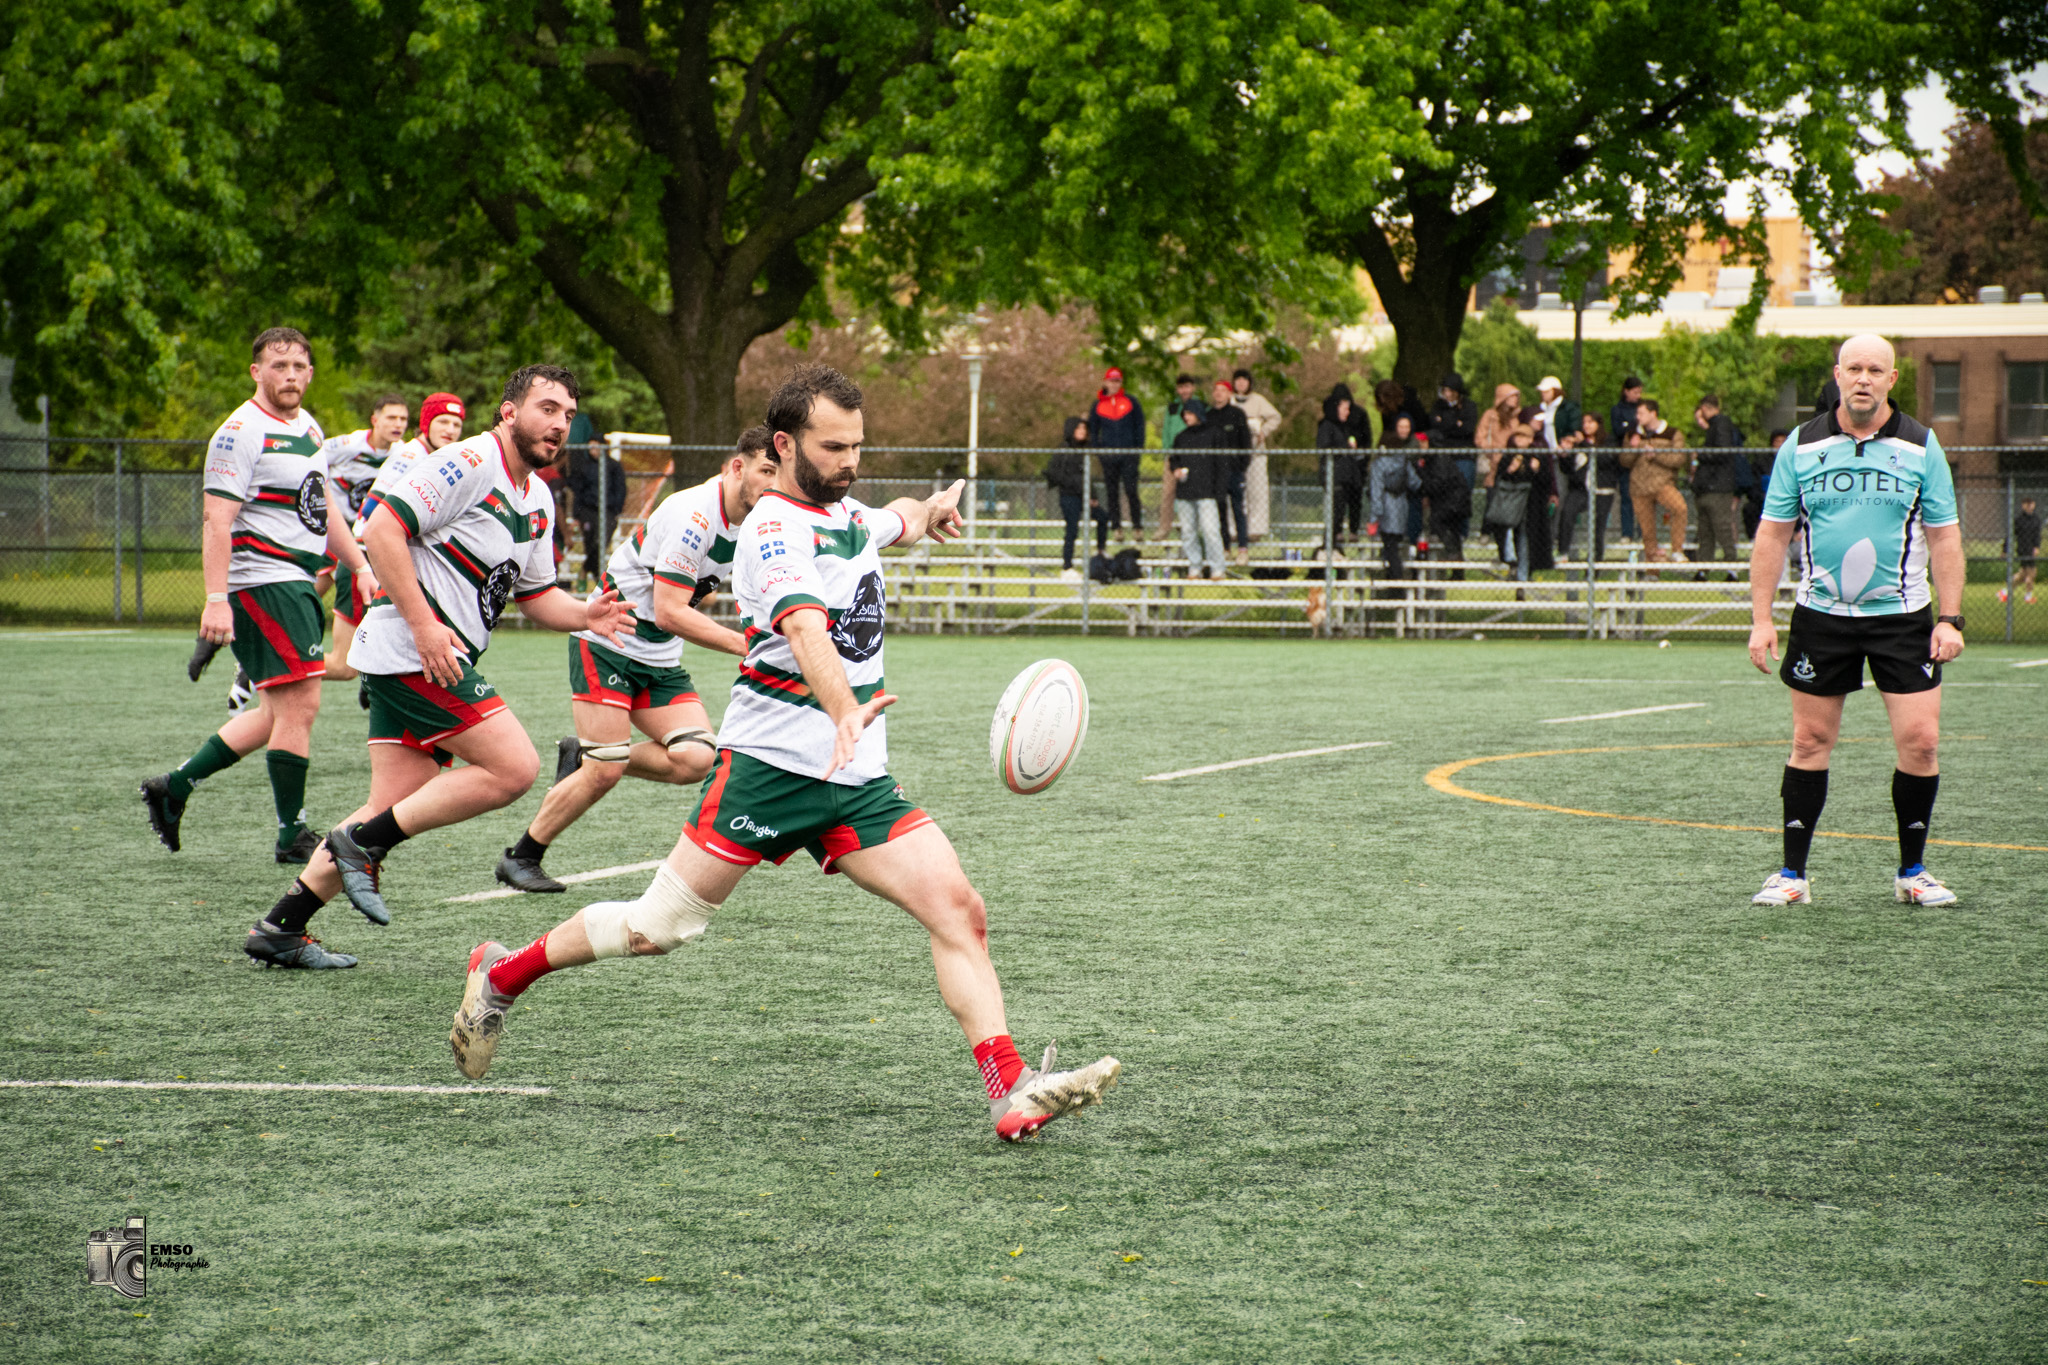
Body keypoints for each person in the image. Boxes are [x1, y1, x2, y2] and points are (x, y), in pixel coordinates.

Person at [447, 364, 1123, 1143]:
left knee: (960, 910)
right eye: (833, 447)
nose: (849, 461)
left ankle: (1009, 1088)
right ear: (784, 442)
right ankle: (501, 972)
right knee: (656, 928)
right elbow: (805, 631)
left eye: (858, 446)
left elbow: (890, 516)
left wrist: (928, 509)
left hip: (859, 782)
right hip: (770, 772)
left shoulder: (846, 513)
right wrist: (841, 711)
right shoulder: (772, 534)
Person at [238, 365, 635, 969]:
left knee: (391, 801)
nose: (558, 424)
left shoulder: (538, 497)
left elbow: (535, 596)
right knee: (514, 768)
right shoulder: (470, 463)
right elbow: (382, 530)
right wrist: (425, 627)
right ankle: (359, 847)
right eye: (546, 408)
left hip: (429, 657)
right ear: (508, 411)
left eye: (566, 415)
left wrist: (588, 614)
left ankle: (282, 927)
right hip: (411, 653)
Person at [495, 426, 782, 894]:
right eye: (766, 470)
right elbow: (670, 612)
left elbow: (692, 598)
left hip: (659, 658)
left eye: (780, 472)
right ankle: (523, 856)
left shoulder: (751, 521)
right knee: (604, 772)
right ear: (737, 466)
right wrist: (746, 646)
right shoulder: (695, 514)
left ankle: (586, 751)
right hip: (610, 641)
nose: (774, 483)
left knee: (695, 758)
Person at [1746, 333, 1965, 909]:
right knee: (1810, 738)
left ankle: (1912, 872)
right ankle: (1792, 874)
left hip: (1903, 618)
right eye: (1854, 368)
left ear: (1893, 379)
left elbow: (1945, 537)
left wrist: (1951, 618)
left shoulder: (1922, 445)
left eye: (1875, 369)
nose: (1863, 378)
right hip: (1823, 617)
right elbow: (1772, 535)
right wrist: (1760, 619)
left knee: (1921, 742)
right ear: (1838, 375)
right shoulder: (1801, 445)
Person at [141, 328, 374, 865]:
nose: (289, 375)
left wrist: (358, 563)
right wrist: (216, 598)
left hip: (295, 580)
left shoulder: (308, 427)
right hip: (264, 582)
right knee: (303, 704)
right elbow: (215, 520)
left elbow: (324, 509)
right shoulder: (239, 432)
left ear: (310, 373)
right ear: (256, 372)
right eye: (278, 365)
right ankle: (291, 835)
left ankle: (173, 788)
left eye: (298, 366)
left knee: (277, 711)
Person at [319, 394, 406, 683]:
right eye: (391, 417)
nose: (398, 424)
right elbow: (309, 460)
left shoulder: (402, 454)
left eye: (403, 419)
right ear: (374, 419)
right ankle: (274, 659)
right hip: (333, 531)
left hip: (365, 539)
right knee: (309, 594)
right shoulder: (348, 445)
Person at [1623, 399, 1688, 564]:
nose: (1638, 417)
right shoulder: (1633, 435)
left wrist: (1657, 455)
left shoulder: (1672, 433)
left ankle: (1677, 550)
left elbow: (1679, 459)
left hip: (1662, 484)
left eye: (1641, 413)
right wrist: (1634, 448)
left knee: (1680, 508)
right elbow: (1624, 461)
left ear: (1653, 414)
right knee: (1647, 530)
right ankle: (1652, 568)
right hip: (1639, 487)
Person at [1170, 402, 1231, 579]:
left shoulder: (1214, 434)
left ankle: (1217, 567)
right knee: (1188, 532)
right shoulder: (1181, 437)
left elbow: (1222, 465)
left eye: (1189, 413)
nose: (1186, 417)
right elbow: (1174, 459)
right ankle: (1194, 566)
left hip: (1207, 493)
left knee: (1210, 530)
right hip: (1185, 492)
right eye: (1184, 414)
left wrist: (1219, 491)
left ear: (1198, 414)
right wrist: (1176, 470)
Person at [1086, 367, 1145, 543]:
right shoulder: (1097, 405)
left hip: (1128, 455)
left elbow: (1139, 427)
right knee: (1112, 492)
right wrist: (1100, 452)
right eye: (1111, 381)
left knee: (1131, 490)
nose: (1114, 384)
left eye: (1117, 381)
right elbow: (1094, 431)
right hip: (1109, 456)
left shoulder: (1131, 402)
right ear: (1105, 382)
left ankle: (1137, 526)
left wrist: (1136, 451)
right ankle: (1117, 527)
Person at [1043, 416, 1107, 581]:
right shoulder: (1064, 449)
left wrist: (1092, 496)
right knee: (1072, 530)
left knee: (1102, 517)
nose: (1082, 432)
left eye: (1084, 429)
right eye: (1078, 429)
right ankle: (1067, 566)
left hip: (1084, 496)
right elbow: (1054, 474)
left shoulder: (1084, 451)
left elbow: (1086, 477)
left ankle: (1101, 552)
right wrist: (1076, 486)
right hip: (1069, 497)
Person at [1228, 369, 1281, 562]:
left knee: (1257, 490)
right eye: (1238, 380)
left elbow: (1275, 417)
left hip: (1255, 451)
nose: (1241, 384)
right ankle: (1233, 529)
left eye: (1244, 380)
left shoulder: (1258, 401)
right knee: (1234, 492)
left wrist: (1263, 431)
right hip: (1235, 453)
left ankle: (1256, 529)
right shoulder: (1230, 401)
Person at [564, 425, 626, 583]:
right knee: (590, 543)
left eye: (595, 445)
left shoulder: (613, 466)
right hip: (588, 510)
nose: (592, 448)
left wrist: (616, 508)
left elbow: (621, 488)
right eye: (590, 445)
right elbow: (579, 490)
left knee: (601, 542)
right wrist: (577, 515)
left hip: (608, 510)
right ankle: (598, 578)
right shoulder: (585, 466)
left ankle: (585, 570)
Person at [1691, 394, 1744, 570]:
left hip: (1718, 487)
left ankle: (1731, 567)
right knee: (1705, 531)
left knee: (1722, 528)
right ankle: (1703, 568)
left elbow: (1722, 452)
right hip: (1706, 487)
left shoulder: (1721, 423)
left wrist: (1702, 455)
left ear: (1705, 408)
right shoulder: (1713, 428)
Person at [1369, 419, 1422, 584]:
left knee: (1390, 549)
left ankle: (1395, 583)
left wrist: (1374, 517)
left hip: (1386, 509)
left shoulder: (1379, 464)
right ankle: (1395, 580)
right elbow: (1416, 483)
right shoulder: (1404, 461)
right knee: (1396, 547)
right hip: (1401, 508)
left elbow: (1376, 491)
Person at [1413, 432, 1470, 574]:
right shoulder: (1429, 459)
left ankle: (1455, 560)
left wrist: (1424, 488)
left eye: (1424, 443)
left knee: (1438, 523)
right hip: (1448, 501)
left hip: (1453, 501)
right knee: (1449, 530)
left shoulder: (1439, 459)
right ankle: (1457, 569)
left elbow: (1438, 484)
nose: (1421, 447)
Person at [1318, 389, 1367, 546]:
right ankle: (1329, 547)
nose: (1348, 412)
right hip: (1335, 478)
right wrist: (1344, 447)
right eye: (1345, 408)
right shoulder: (1327, 426)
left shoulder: (1344, 428)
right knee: (1334, 516)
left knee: (1340, 514)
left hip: (1346, 478)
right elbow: (1325, 448)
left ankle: (1334, 548)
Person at [1159, 375, 1206, 538]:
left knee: (1193, 492)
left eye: (1187, 386)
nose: (1184, 390)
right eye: (1181, 387)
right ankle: (1164, 527)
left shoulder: (1201, 406)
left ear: (1192, 387)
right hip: (1174, 456)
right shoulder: (1172, 408)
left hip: (1194, 457)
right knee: (1168, 492)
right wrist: (1167, 452)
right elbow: (1166, 431)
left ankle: (1190, 526)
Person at [1610, 377, 1645, 540]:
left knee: (1644, 495)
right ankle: (1627, 532)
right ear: (1626, 391)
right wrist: (1633, 424)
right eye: (1635, 392)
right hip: (1625, 458)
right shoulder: (1617, 410)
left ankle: (1644, 530)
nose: (1638, 396)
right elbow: (1618, 429)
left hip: (1642, 458)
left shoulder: (1643, 407)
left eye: (1640, 392)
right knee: (1626, 495)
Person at [1473, 382, 1522, 489]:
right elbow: (1480, 437)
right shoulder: (1490, 416)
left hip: (1511, 462)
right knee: (1493, 496)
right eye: (1512, 396)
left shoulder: (1518, 417)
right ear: (1504, 398)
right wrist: (1490, 450)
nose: (1515, 399)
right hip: (1493, 462)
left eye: (1516, 396)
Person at [1528, 376, 1582, 455]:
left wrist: (1565, 442)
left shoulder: (1569, 408)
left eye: (1546, 391)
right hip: (1545, 453)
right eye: (1542, 392)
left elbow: (1574, 428)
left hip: (1562, 451)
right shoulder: (1540, 408)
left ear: (1556, 391)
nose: (1543, 394)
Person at [2004, 496, 2040, 604]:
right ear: (2022, 505)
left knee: (2023, 574)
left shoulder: (2036, 519)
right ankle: (2028, 596)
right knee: (2031, 573)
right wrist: (2005, 548)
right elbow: (2011, 535)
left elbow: (2037, 536)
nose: (2029, 506)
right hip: (2023, 549)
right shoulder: (2019, 520)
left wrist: (2036, 546)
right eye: (2026, 503)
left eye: (2031, 503)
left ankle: (2005, 592)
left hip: (2031, 549)